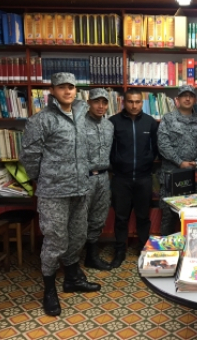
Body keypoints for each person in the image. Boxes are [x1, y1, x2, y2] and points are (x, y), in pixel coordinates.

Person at [20, 72, 100, 317]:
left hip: (79, 188)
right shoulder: (41, 120)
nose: (68, 91)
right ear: (52, 90)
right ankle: (49, 289)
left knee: (77, 235)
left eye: (71, 87)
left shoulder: (82, 116)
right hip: (54, 191)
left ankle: (72, 278)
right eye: (62, 87)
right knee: (55, 240)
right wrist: (44, 178)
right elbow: (30, 157)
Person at [109, 89, 158, 268]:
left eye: (138, 102)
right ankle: (120, 250)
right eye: (130, 101)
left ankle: (144, 248)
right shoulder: (113, 122)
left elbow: (155, 147)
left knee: (143, 216)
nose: (134, 105)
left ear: (142, 102)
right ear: (124, 102)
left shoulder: (150, 122)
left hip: (144, 177)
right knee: (121, 217)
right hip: (121, 178)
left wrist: (147, 161)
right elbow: (109, 148)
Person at [158, 85, 197, 235]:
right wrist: (179, 162)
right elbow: (163, 144)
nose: (187, 98)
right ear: (177, 99)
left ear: (195, 100)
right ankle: (167, 255)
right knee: (168, 217)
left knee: (193, 217)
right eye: (184, 96)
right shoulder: (168, 119)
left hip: (193, 176)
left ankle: (191, 252)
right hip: (171, 175)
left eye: (190, 96)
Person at [83, 88, 114, 271]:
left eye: (104, 102)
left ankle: (91, 257)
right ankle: (73, 260)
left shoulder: (109, 125)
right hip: (84, 178)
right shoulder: (79, 124)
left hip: (103, 178)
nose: (100, 106)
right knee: (80, 219)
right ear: (89, 102)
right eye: (96, 102)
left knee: (98, 218)